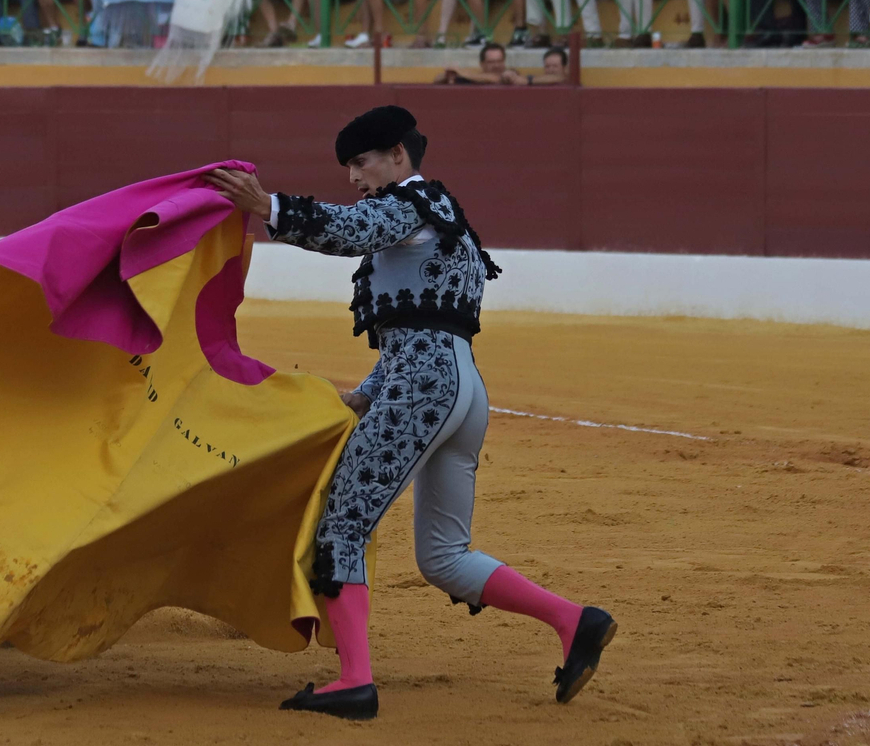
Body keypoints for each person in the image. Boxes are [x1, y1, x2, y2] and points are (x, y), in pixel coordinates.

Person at [206, 106, 616, 720]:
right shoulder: (442, 214)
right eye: (347, 166)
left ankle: (354, 681)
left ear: (397, 154)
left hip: (424, 384)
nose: (353, 177)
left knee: (341, 527)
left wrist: (272, 208)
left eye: (361, 162)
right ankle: (574, 620)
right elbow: (429, 320)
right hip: (458, 385)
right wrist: (370, 391)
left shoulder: (409, 203)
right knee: (444, 556)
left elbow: (350, 231)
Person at [435, 41, 551, 83]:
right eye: (491, 62)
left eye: (499, 61)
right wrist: (448, 74)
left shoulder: (511, 74)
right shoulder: (472, 78)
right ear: (482, 64)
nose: (496, 65)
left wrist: (461, 72)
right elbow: (438, 80)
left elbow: (496, 78)